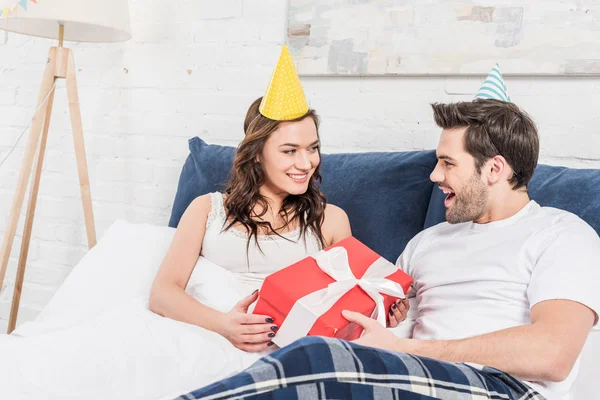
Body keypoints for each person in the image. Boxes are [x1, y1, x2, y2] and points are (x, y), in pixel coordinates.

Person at [176, 66, 600, 400]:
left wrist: (407, 352)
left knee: (317, 358)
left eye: (448, 164)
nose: (435, 175)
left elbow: (553, 353)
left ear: (494, 169)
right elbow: (383, 316)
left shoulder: (562, 235)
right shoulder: (426, 243)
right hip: (416, 378)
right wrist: (385, 317)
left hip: (499, 387)